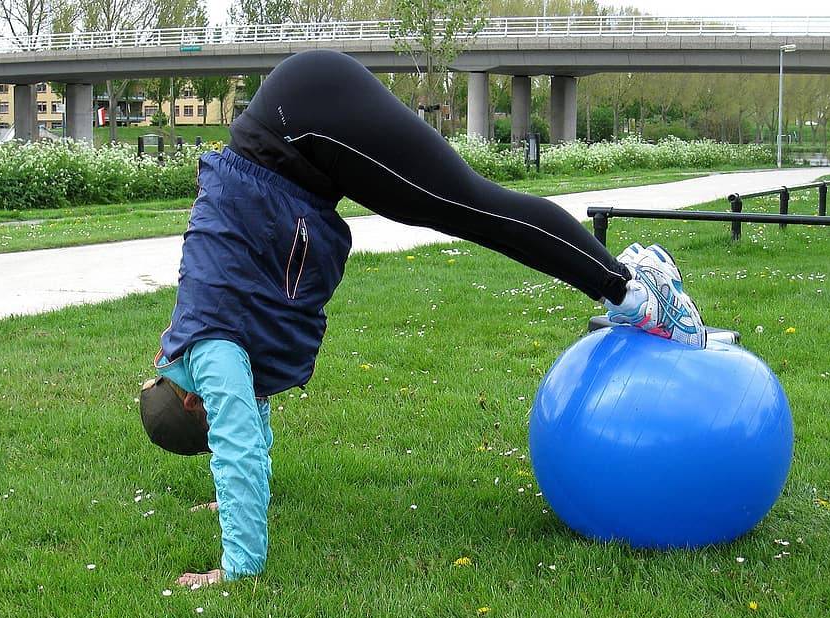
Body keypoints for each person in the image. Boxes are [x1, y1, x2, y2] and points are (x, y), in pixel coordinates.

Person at [139, 49, 706, 588]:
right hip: (303, 121)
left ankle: (634, 289)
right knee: (467, 206)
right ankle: (624, 280)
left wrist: (237, 566)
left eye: (212, 421)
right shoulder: (194, 335)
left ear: (195, 400)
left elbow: (239, 438)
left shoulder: (212, 353)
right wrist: (235, 487)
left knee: (472, 206)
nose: (225, 415)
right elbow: (247, 424)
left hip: (307, 120)